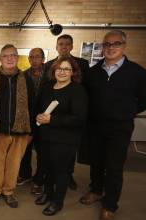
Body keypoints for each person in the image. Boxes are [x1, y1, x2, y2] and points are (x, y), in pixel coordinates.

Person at [81, 30, 146, 220]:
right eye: (107, 44)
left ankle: (109, 205)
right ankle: (96, 190)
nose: (111, 47)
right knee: (96, 161)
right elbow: (86, 97)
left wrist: (126, 111)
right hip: (95, 126)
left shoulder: (137, 73)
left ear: (124, 46)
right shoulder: (93, 72)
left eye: (116, 44)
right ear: (102, 47)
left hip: (120, 127)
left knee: (114, 166)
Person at [35, 56, 88, 216]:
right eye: (59, 68)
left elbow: (79, 118)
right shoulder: (47, 87)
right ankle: (48, 192)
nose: (62, 72)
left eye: (66, 69)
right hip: (46, 137)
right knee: (47, 167)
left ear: (73, 72)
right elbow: (39, 107)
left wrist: (52, 119)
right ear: (53, 71)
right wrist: (39, 117)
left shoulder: (77, 90)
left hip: (65, 140)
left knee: (61, 171)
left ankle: (57, 202)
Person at [0, 44, 35, 208]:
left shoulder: (26, 79)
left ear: (17, 58)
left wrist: (31, 131)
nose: (9, 58)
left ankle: (8, 191)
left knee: (14, 163)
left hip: (20, 130)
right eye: (6, 55)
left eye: (13, 55)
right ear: (0, 59)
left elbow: (32, 105)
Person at [43, 34, 90, 190]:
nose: (63, 47)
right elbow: (46, 90)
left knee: (66, 160)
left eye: (67, 44)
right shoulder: (49, 64)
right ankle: (49, 189)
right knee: (49, 160)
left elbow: (85, 89)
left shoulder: (82, 64)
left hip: (70, 118)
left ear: (71, 46)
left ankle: (68, 177)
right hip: (51, 119)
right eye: (60, 44)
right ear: (56, 47)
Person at [17, 48, 46, 196]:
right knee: (25, 148)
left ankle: (39, 180)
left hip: (45, 118)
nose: (34, 60)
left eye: (37, 57)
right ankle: (25, 174)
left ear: (43, 59)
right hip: (27, 117)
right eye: (32, 57)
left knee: (42, 151)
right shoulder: (23, 75)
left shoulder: (50, 74)